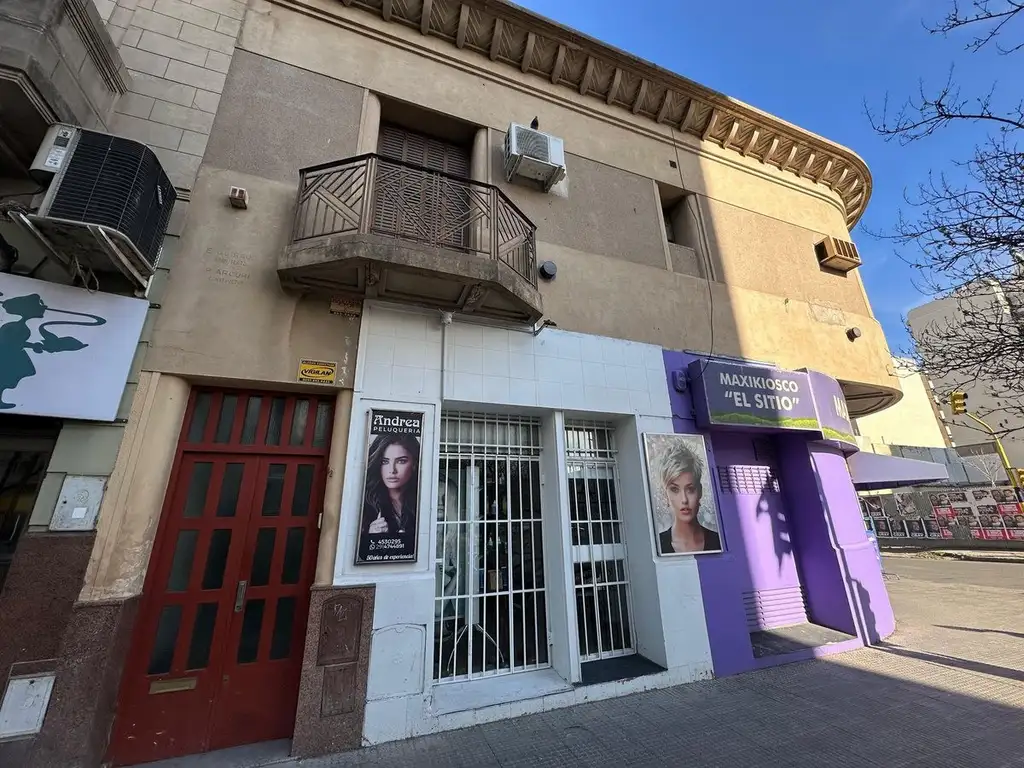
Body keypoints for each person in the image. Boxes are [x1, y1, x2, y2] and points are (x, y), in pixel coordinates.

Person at [656, 440, 721, 554]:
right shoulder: (657, 546)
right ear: (665, 495)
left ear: (700, 491)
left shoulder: (718, 542)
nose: (684, 500)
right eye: (675, 490)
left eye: (690, 489)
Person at [360, 433, 420, 539]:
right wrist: (371, 536)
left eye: (401, 461)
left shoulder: (422, 500)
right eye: (385, 462)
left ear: (414, 464)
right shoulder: (365, 504)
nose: (392, 470)